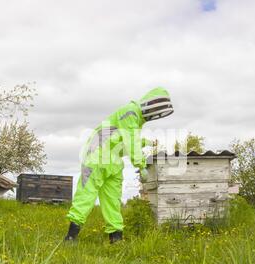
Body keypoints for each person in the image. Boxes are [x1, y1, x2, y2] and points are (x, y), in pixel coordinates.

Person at [65, 87, 174, 244]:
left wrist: (145, 142)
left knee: (113, 200)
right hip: (97, 157)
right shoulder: (130, 112)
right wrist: (141, 164)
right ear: (150, 101)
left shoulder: (134, 119)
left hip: (113, 161)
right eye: (156, 106)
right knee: (86, 195)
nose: (156, 110)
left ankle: (116, 239)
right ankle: (70, 237)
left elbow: (122, 143)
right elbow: (130, 140)